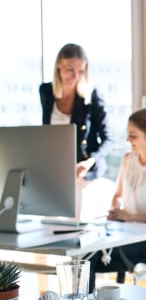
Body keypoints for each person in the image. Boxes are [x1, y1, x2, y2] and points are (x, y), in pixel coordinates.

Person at [91, 107, 146, 289]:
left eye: (133, 135)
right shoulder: (127, 159)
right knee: (85, 250)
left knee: (90, 256)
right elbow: (118, 194)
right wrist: (115, 209)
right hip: (126, 232)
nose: (127, 139)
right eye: (127, 134)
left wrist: (130, 217)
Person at [39, 43, 113, 217]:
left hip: (84, 167)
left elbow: (108, 139)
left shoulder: (91, 96)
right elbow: (46, 133)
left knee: (73, 198)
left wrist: (89, 162)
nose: (75, 76)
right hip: (56, 165)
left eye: (81, 71)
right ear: (58, 65)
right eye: (70, 69)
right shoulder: (46, 92)